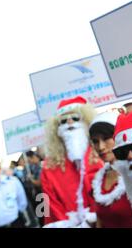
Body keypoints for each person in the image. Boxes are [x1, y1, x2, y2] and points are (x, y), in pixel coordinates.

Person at [40, 96, 103, 227]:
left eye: (75, 118)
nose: (69, 123)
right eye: (63, 120)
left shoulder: (103, 152)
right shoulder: (49, 166)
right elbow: (49, 202)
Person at [88, 111, 132, 228]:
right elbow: (100, 220)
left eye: (106, 138)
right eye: (95, 141)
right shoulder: (99, 179)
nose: (101, 147)